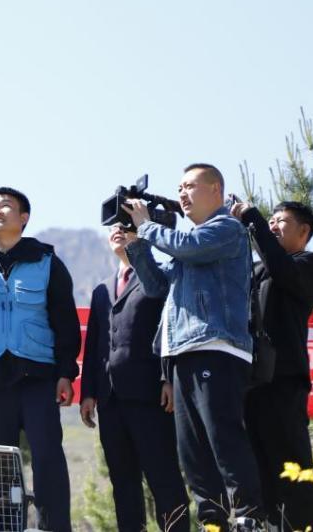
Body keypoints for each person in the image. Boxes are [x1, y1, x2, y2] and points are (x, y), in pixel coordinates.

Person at [122, 164, 265, 531]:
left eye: (190, 186)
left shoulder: (227, 229)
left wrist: (147, 225)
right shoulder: (189, 247)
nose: (182, 193)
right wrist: (136, 245)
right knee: (192, 447)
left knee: (222, 434)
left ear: (216, 189)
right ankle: (213, 518)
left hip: (216, 347)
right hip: (184, 352)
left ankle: (248, 515)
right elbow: (155, 285)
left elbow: (190, 246)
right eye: (179, 187)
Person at [0, 187, 81, 532]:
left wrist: (66, 372)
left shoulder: (47, 261)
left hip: (37, 379)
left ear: (23, 218)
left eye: (5, 205)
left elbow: (65, 321)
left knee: (48, 458)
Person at [80, 225, 189, 532]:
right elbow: (95, 346)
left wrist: (169, 377)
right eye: (114, 228)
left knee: (163, 477)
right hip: (111, 400)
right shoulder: (102, 289)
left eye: (127, 228)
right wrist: (88, 392)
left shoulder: (158, 277)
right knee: (123, 482)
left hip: (151, 396)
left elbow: (172, 329)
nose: (118, 232)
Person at [231, 199, 313, 531]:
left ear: (304, 231)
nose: (272, 225)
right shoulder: (256, 269)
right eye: (269, 220)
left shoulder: (310, 263)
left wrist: (252, 217)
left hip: (284, 382)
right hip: (249, 382)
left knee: (292, 464)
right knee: (256, 468)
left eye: (280, 221)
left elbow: (280, 267)